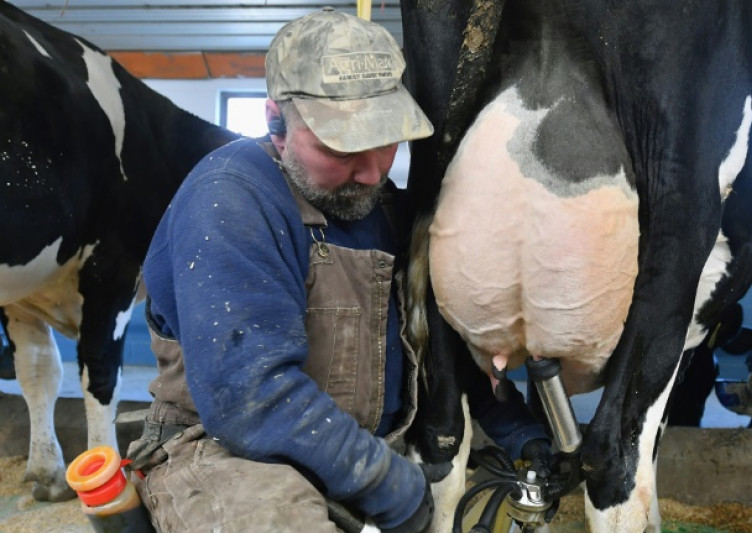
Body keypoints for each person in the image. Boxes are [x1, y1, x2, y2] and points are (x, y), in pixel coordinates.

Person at [126, 8, 550, 533]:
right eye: (342, 146)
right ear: (275, 122)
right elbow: (250, 396)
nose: (373, 171)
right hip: (225, 457)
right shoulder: (233, 198)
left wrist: (520, 433)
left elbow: (437, 353)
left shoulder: (384, 208)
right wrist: (389, 486)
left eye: (386, 140)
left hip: (358, 452)